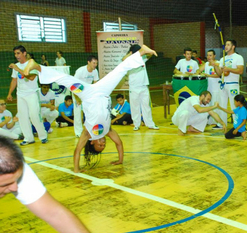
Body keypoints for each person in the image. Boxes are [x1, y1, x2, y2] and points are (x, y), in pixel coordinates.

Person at [23, 45, 157, 173]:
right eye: (104, 146)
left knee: (66, 80)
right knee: (120, 71)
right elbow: (119, 144)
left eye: (100, 145)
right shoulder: (107, 130)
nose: (103, 143)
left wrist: (76, 169)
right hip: (103, 91)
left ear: (92, 143)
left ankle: (37, 66)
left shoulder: (88, 133)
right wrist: (120, 160)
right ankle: (142, 52)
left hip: (87, 94)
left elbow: (77, 151)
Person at [0, 136, 92, 233]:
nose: (15, 188)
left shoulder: (13, 168)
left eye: (16, 180)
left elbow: (54, 214)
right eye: (6, 184)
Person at [7, 45, 48, 145]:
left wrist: (17, 69)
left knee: (34, 115)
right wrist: (9, 93)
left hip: (32, 93)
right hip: (20, 94)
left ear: (24, 53)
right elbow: (14, 80)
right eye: (15, 54)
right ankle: (28, 138)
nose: (16, 56)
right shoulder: (16, 66)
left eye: (18, 53)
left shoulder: (32, 64)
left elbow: (31, 78)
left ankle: (43, 136)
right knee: (22, 116)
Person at [122, 44, 159, 131]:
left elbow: (150, 55)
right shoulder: (129, 60)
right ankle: (136, 124)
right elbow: (123, 59)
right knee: (135, 107)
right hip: (134, 87)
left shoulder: (142, 59)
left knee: (146, 106)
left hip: (143, 85)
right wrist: (131, 53)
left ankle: (150, 124)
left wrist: (146, 51)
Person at [213, 39, 244, 129]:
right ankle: (222, 124)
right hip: (223, 84)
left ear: (233, 46)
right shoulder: (223, 58)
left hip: (233, 84)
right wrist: (215, 66)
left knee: (235, 105)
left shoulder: (238, 57)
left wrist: (229, 69)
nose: (226, 46)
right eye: (225, 45)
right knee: (222, 104)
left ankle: (237, 125)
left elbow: (240, 71)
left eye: (228, 45)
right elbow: (220, 74)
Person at [73, 55, 99, 137]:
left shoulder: (95, 71)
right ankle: (78, 132)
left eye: (96, 63)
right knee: (77, 111)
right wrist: (77, 98)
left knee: (90, 111)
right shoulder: (80, 71)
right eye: (94, 63)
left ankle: (90, 129)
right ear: (88, 62)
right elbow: (73, 85)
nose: (95, 65)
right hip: (77, 90)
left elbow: (95, 84)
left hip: (87, 92)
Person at [199, 49, 220, 125]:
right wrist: (199, 72)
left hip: (216, 88)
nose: (208, 57)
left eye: (210, 55)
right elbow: (198, 70)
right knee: (209, 105)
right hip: (208, 89)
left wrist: (208, 75)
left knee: (215, 105)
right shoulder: (206, 64)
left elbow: (219, 75)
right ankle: (209, 121)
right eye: (207, 55)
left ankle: (215, 121)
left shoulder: (218, 63)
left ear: (214, 56)